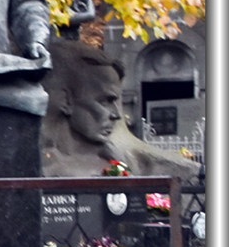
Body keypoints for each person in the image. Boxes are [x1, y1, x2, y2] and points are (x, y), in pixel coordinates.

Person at [41, 41, 198, 178]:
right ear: (66, 100)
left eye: (116, 102)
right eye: (105, 101)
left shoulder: (120, 160)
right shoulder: (43, 163)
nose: (116, 115)